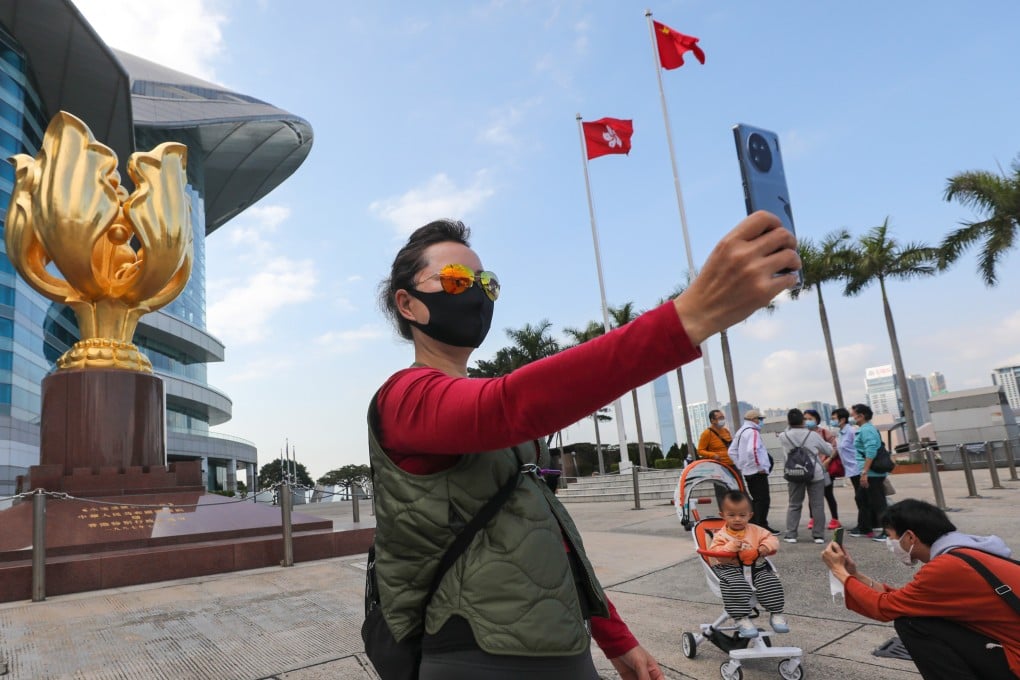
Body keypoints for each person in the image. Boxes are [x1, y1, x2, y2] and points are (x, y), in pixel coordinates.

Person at [370, 214, 799, 679]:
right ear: (407, 303)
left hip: (558, 646)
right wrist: (690, 317)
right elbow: (509, 404)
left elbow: (547, 533)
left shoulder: (487, 414)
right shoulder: (404, 398)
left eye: (486, 283)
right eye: (455, 280)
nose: (474, 293)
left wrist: (616, 638)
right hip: (475, 654)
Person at [822, 499, 1020, 680]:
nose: (889, 543)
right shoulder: (965, 551)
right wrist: (854, 574)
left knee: (911, 622)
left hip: (1016, 659)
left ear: (910, 537)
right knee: (917, 613)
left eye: (890, 536)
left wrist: (839, 571)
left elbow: (884, 607)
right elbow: (905, 600)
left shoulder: (946, 567)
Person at [708, 491, 787, 639]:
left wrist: (765, 547)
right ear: (723, 515)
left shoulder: (757, 530)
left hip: (755, 567)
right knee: (735, 585)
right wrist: (729, 547)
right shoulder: (720, 535)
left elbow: (772, 539)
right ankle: (741, 618)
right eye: (731, 515)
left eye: (742, 515)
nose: (737, 519)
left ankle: (776, 613)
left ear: (750, 515)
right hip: (730, 568)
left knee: (770, 581)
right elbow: (715, 552)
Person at [778, 408, 831, 544]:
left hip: (794, 473)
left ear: (789, 421)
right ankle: (818, 536)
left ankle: (791, 535)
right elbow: (828, 451)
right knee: (817, 505)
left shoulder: (784, 436)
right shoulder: (813, 435)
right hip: (814, 473)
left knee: (794, 504)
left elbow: (788, 430)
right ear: (803, 421)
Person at [729, 409, 780, 535]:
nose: (762, 421)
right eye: (760, 419)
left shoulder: (741, 431)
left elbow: (731, 451)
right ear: (754, 420)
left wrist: (741, 466)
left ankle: (753, 524)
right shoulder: (753, 432)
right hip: (757, 472)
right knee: (763, 500)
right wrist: (759, 467)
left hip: (748, 471)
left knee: (756, 499)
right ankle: (761, 525)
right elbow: (753, 450)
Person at [847, 403, 889, 540]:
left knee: (879, 502)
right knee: (862, 498)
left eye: (853, 415)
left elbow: (871, 451)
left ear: (861, 416)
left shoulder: (867, 430)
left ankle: (888, 531)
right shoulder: (864, 429)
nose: (851, 418)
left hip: (872, 473)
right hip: (868, 472)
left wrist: (865, 472)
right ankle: (864, 527)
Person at [803, 409, 840, 531]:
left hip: (825, 468)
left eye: (810, 419)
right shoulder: (803, 433)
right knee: (812, 495)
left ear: (817, 420)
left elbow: (835, 447)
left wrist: (828, 460)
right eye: (805, 419)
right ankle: (813, 518)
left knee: (828, 494)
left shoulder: (824, 432)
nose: (807, 421)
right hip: (810, 469)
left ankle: (835, 519)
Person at [830, 408, 864, 533]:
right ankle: (865, 523)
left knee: (861, 498)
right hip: (851, 470)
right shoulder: (841, 433)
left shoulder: (851, 431)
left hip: (858, 468)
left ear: (842, 419)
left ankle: (864, 525)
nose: (832, 421)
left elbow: (861, 447)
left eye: (834, 418)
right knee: (860, 497)